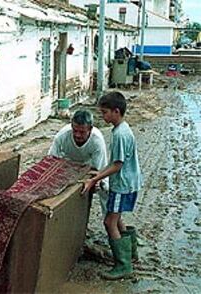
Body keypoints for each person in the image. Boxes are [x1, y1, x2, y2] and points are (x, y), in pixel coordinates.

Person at [82, 91, 143, 280]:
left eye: (105, 112)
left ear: (116, 111)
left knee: (109, 222)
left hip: (122, 183)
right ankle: (131, 254)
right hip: (129, 181)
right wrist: (98, 173)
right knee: (117, 219)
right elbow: (116, 162)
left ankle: (123, 265)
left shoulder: (120, 135)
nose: (103, 116)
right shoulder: (122, 129)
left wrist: (95, 179)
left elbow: (118, 165)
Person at [48, 109, 109, 216]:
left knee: (105, 188)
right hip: (68, 162)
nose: (77, 135)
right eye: (75, 130)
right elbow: (51, 159)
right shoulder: (62, 136)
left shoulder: (97, 141)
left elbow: (98, 170)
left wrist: (95, 182)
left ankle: (109, 220)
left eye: (82, 132)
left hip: (89, 164)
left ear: (90, 129)